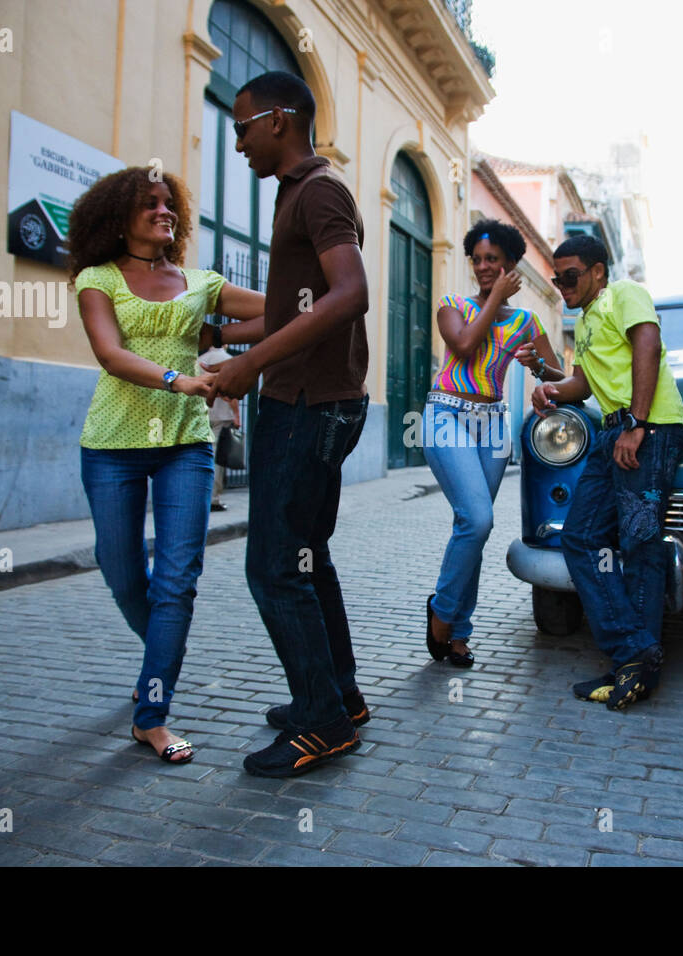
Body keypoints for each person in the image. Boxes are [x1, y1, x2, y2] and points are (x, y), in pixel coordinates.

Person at [70, 166, 265, 763]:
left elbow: (286, 308)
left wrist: (220, 332)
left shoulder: (200, 282)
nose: (165, 212)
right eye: (149, 204)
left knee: (177, 582)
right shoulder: (96, 280)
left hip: (185, 445)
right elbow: (111, 353)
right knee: (122, 569)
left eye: (169, 204)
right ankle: (160, 652)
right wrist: (183, 377)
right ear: (118, 217)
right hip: (112, 444)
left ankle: (151, 713)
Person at [207, 71, 371, 778]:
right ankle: (338, 696)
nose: (236, 139)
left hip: (310, 407)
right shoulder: (298, 192)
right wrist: (222, 332)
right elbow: (295, 309)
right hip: (310, 401)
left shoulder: (320, 190)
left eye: (242, 125)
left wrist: (251, 368)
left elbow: (351, 294)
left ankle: (322, 725)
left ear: (279, 119)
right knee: (308, 556)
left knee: (275, 566)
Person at [530, 235, 683, 711]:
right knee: (579, 537)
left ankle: (635, 665)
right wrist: (549, 388)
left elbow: (649, 343)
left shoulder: (625, 294)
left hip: (651, 429)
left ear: (599, 271)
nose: (562, 286)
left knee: (640, 544)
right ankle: (634, 652)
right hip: (613, 433)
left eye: (571, 276)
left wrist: (638, 424)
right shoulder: (585, 322)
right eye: (557, 279)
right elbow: (583, 382)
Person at [424, 219, 563, 667]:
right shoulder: (453, 305)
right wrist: (496, 300)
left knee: (472, 530)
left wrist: (537, 366)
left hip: (493, 425)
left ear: (510, 266)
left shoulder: (527, 321)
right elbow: (464, 345)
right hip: (446, 414)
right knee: (478, 519)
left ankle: (460, 633)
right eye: (478, 260)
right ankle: (443, 614)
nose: (483, 267)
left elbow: (562, 376)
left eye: (493, 261)